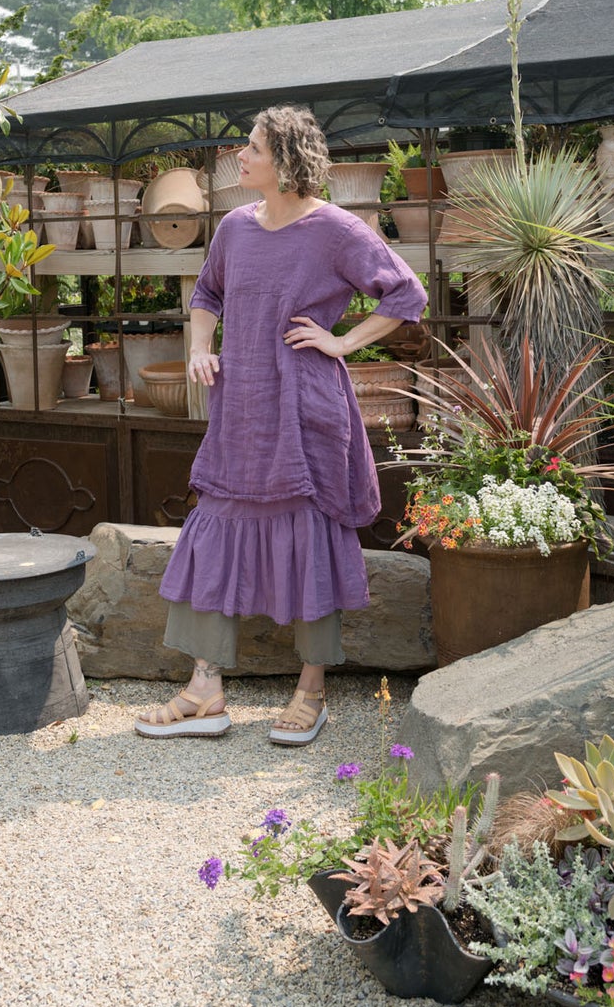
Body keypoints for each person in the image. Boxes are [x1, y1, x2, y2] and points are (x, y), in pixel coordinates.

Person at [134, 105, 427, 744]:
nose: (240, 156)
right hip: (240, 406)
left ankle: (310, 693)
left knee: (310, 531)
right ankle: (204, 689)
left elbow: (406, 294)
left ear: (287, 162)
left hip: (305, 406)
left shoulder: (338, 230)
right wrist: (200, 347)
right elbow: (207, 294)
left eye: (253, 148)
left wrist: (343, 342)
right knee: (215, 527)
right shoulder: (235, 227)